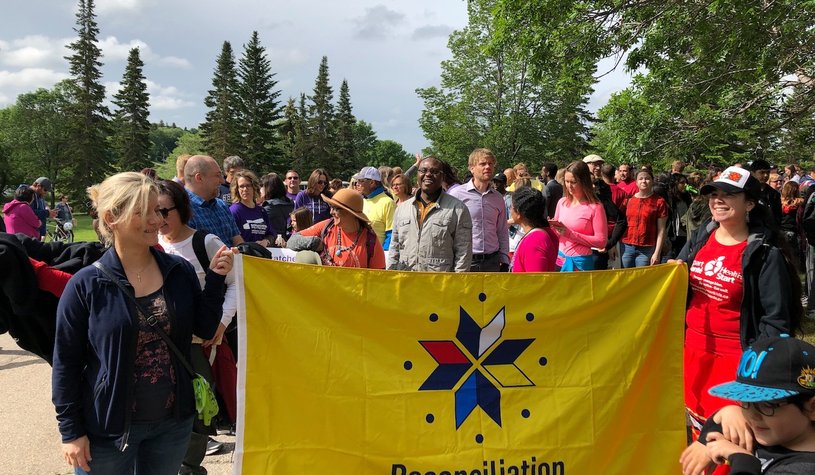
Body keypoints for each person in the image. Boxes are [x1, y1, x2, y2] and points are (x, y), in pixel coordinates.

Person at [52, 172, 233, 474]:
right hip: (109, 429)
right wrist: (70, 432)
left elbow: (202, 331)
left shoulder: (179, 271)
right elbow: (66, 364)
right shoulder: (87, 285)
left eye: (159, 210)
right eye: (144, 211)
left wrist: (215, 280)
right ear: (111, 218)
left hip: (172, 425)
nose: (158, 220)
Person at [675, 166, 803, 441]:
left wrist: (756, 377)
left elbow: (775, 320)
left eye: (728, 195)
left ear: (750, 204)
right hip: (694, 353)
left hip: (736, 361)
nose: (717, 200)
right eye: (714, 194)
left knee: (728, 441)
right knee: (699, 433)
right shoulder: (701, 237)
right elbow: (676, 282)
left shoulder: (764, 253)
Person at [156, 179, 238, 473]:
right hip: (160, 343)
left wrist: (221, 322)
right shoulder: (150, 245)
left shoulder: (206, 242)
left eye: (165, 211)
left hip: (198, 344)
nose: (159, 219)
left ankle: (189, 467)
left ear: (181, 208)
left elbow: (235, 285)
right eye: (153, 211)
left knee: (200, 407)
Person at [681, 336, 815, 474]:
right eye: (745, 403)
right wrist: (728, 413)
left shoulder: (804, 468)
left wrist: (743, 460)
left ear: (812, 408)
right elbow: (725, 421)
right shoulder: (777, 432)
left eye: (768, 406)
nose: (753, 416)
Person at [388, 157, 472, 272]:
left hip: (440, 283)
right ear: (417, 174)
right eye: (423, 170)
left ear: (443, 177)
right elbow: (394, 248)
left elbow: (463, 252)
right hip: (406, 281)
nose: (428, 174)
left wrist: (458, 283)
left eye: (434, 172)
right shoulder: (402, 209)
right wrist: (391, 276)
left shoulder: (458, 209)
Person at [448, 148, 510, 272]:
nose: (488, 167)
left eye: (491, 164)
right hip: (465, 262)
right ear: (471, 168)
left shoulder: (498, 198)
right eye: (482, 164)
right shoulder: (456, 195)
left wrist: (504, 259)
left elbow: (502, 230)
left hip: (492, 261)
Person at [292, 189, 386, 269]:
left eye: (336, 209)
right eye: (331, 207)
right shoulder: (327, 226)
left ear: (352, 213)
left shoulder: (370, 240)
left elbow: (379, 278)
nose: (331, 212)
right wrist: (314, 243)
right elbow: (292, 241)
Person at [550, 161, 608, 271]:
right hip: (560, 257)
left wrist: (571, 234)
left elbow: (601, 241)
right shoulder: (562, 202)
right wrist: (552, 227)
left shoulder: (595, 207)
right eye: (566, 181)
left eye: (573, 182)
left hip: (581, 261)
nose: (569, 186)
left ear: (584, 182)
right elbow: (556, 235)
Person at [184, 155, 244, 247]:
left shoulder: (221, 205)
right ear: (199, 178)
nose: (222, 181)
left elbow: (237, 240)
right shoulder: (183, 209)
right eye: (217, 175)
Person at [620, 169, 668, 267]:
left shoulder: (659, 202)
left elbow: (661, 230)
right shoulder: (628, 200)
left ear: (652, 181)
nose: (644, 181)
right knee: (626, 278)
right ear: (636, 182)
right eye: (640, 179)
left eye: (647, 178)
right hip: (627, 246)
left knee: (642, 278)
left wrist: (657, 253)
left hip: (647, 248)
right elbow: (620, 223)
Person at [509, 187, 559, 272]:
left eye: (511, 207)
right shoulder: (541, 234)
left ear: (518, 212)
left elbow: (536, 281)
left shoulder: (535, 240)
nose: (510, 210)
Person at [353, 166, 396, 250]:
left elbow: (392, 235)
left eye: (361, 181)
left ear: (372, 183)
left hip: (377, 258)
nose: (357, 184)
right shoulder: (361, 200)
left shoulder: (388, 203)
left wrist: (383, 255)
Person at [229, 170, 275, 247]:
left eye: (248, 185)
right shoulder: (234, 211)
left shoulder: (261, 211)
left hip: (262, 254)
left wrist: (266, 241)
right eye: (241, 186)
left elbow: (271, 234)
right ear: (237, 189)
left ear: (254, 187)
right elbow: (233, 238)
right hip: (244, 256)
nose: (245, 189)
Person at [261, 173, 294, 243]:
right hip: (288, 241)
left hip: (272, 242)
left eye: (262, 186)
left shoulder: (268, 207)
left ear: (268, 188)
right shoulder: (290, 203)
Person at [751, 158, 783, 225]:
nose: (765, 175)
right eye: (762, 172)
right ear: (752, 173)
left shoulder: (774, 194)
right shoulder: (745, 191)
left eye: (768, 172)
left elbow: (777, 216)